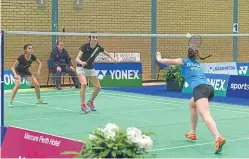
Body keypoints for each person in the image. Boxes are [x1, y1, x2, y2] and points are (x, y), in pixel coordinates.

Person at [155, 46, 226, 154]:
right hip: (209, 88)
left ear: (188, 54)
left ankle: (218, 137)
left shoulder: (184, 61)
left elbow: (166, 61)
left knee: (206, 115)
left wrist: (159, 58)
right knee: (192, 104)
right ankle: (192, 132)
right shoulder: (197, 64)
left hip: (200, 89)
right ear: (196, 55)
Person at [75, 34, 116, 113]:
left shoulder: (98, 47)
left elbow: (106, 53)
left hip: (90, 68)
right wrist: (81, 62)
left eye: (96, 37)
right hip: (81, 68)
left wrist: (112, 58)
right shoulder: (84, 46)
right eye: (93, 37)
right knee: (84, 84)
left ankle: (90, 102)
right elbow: (77, 59)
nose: (95, 39)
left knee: (98, 87)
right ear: (89, 39)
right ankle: (83, 105)